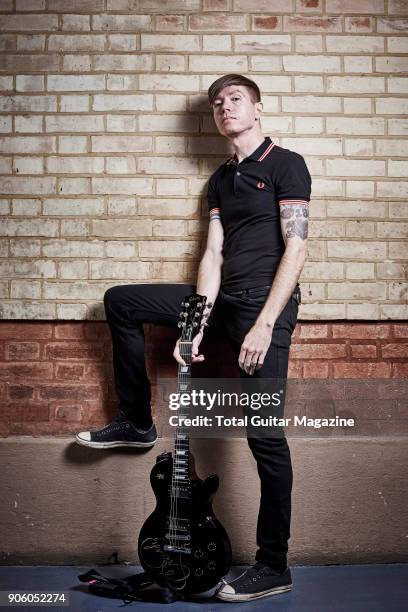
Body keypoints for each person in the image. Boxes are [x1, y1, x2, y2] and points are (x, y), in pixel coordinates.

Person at [75, 73, 311, 602]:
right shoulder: (220, 180)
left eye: (235, 99)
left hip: (262, 307)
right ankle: (136, 422)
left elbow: (296, 249)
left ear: (258, 108)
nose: (225, 107)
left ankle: (275, 566)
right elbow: (212, 256)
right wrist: (195, 324)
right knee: (122, 301)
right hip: (222, 302)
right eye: (217, 103)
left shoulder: (285, 164)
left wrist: (265, 322)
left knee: (264, 438)